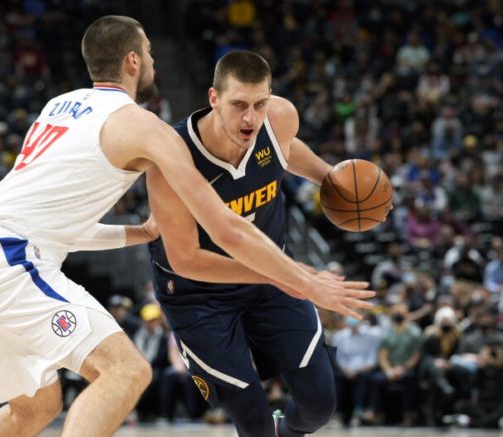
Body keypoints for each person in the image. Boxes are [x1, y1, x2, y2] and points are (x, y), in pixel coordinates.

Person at [0, 16, 372, 437]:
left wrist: (137, 232)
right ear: (132, 61)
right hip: (13, 262)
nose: (154, 60)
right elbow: (225, 228)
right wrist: (303, 280)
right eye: (149, 51)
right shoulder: (148, 129)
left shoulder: (60, 107)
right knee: (125, 371)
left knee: (34, 409)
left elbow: (52, 223)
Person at [146, 50, 372, 437]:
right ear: (214, 98)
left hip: (270, 276)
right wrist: (292, 278)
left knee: (319, 405)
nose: (250, 118)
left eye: (259, 104)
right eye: (238, 106)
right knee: (253, 422)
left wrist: (330, 178)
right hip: (198, 294)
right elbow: (186, 260)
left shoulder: (279, 117)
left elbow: (283, 151)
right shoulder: (172, 157)